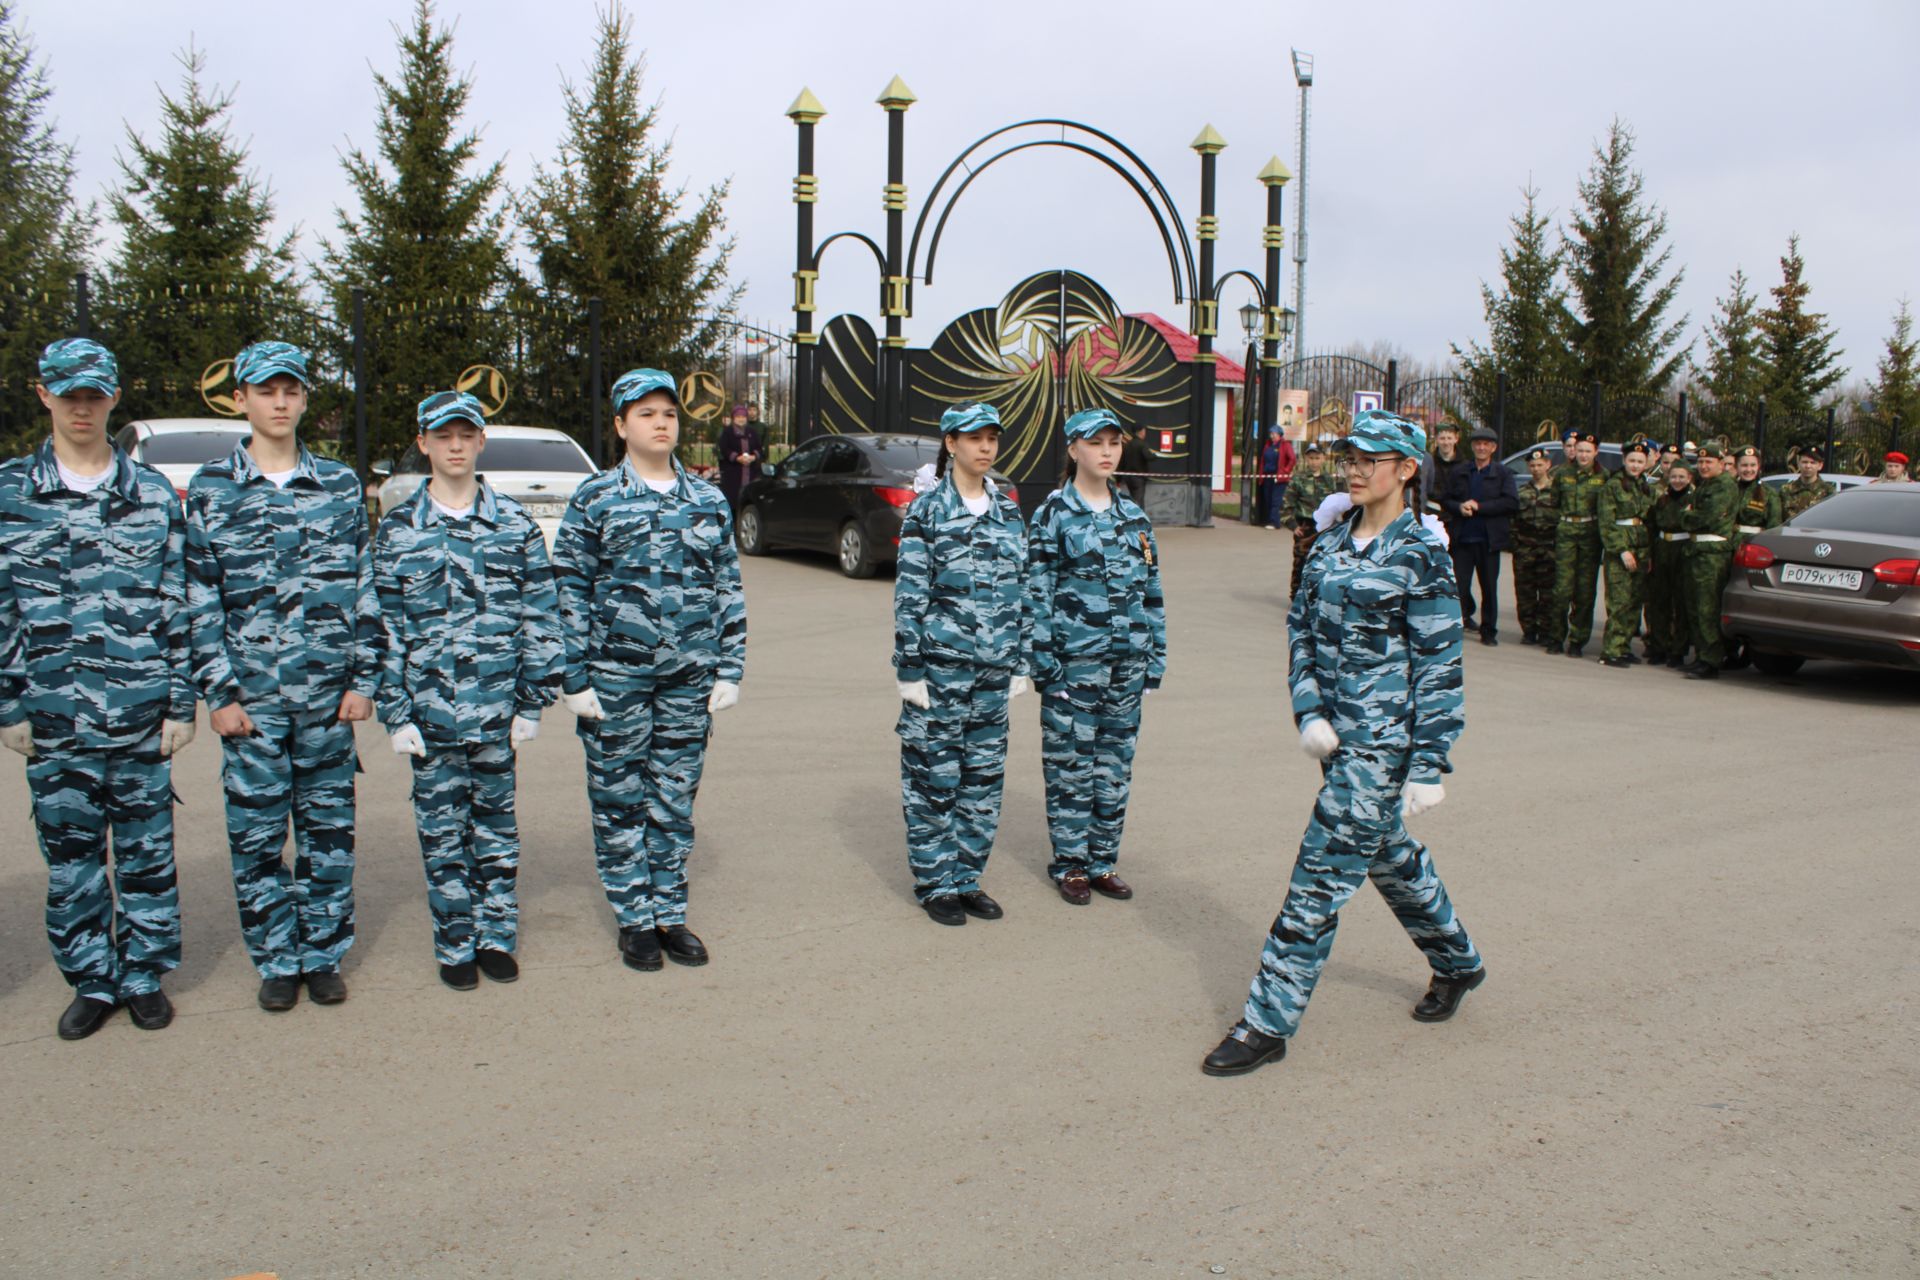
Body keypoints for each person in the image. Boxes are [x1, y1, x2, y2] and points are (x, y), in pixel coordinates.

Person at [1202, 410, 1482, 1078]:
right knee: (1389, 858)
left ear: (1407, 470)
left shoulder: (1421, 557)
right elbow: (1299, 631)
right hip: (1335, 739)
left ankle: (1267, 1021)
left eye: (1370, 459)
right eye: (1348, 458)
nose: (1353, 469)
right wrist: (1308, 712)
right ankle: (1458, 961)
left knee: (1318, 877)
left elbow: (1441, 666)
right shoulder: (1328, 546)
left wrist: (1429, 762)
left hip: (1384, 748)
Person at [0, 339, 195, 1040]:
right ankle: (92, 979)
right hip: (53, 715)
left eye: (95, 395)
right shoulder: (9, 493)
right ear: (42, 393)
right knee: (72, 865)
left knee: (146, 858)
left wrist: (181, 701)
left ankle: (144, 976)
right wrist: (6, 703)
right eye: (68, 393)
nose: (82, 407)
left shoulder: (148, 495)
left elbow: (176, 600)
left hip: (141, 711)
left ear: (114, 398)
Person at [187, 340, 379, 1013]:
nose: (279, 402)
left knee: (329, 837)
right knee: (258, 838)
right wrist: (218, 690)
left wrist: (365, 679)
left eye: (290, 390)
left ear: (303, 399)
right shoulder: (212, 488)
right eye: (265, 391)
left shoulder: (338, 485)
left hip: (329, 700)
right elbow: (199, 596)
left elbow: (365, 585)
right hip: (253, 706)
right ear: (240, 398)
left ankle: (322, 953)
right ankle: (276, 956)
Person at [552, 368, 745, 971]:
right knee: (618, 797)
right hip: (616, 678)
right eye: (645, 414)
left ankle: (669, 913)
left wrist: (730, 667)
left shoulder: (708, 499)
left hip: (689, 677)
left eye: (668, 413)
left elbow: (727, 587)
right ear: (620, 425)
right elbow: (570, 588)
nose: (660, 423)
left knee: (673, 798)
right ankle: (634, 919)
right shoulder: (596, 498)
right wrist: (574, 677)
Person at [374, 391, 563, 990]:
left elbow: (541, 616)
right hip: (429, 716)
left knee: (496, 830)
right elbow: (382, 627)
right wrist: (394, 711)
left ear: (480, 443)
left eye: (466, 435)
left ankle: (495, 935)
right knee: (441, 833)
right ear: (424, 443)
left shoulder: (513, 525)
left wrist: (533, 700)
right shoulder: (399, 531)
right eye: (442, 435)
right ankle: (455, 941)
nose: (454, 446)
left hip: (497, 711)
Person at [892, 402, 1029, 925]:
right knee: (933, 775)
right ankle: (935, 882)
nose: (986, 447)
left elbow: (1023, 590)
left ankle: (967, 877)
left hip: (994, 672)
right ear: (951, 444)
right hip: (941, 671)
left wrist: (1022, 659)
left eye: (992, 437)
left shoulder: (1009, 511)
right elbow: (910, 595)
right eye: (974, 438)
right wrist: (909, 668)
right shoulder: (927, 512)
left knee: (982, 779)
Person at [1027, 408, 1165, 906]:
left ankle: (1103, 861)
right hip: (1073, 668)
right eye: (1096, 443)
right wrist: (1043, 663)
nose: (1107, 452)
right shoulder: (1052, 515)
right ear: (1073, 450)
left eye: (1113, 443)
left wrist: (1156, 656)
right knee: (1070, 768)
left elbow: (1152, 591)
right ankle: (1070, 864)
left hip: (1126, 667)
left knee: (1114, 767)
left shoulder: (1134, 515)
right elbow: (1036, 594)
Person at [1440, 425, 1518, 646]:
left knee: (1489, 588)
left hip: (1488, 540)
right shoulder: (1461, 471)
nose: (1481, 448)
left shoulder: (1502, 473)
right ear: (1472, 446)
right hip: (1463, 538)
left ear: (1493, 448)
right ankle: (1456, 625)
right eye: (1477, 444)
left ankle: (1489, 631)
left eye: (1486, 444)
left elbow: (1510, 502)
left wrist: (1480, 506)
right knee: (1459, 586)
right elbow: (1445, 499)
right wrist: (1459, 507)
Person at [1678, 441, 1738, 680]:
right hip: (1697, 550)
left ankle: (1711, 659)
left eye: (1708, 462)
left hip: (1712, 553)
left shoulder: (1724, 486)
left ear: (1721, 464)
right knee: (1694, 607)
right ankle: (1702, 655)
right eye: (1700, 462)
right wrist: (1691, 513)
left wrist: (1686, 515)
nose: (1703, 466)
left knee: (1707, 608)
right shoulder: (1706, 485)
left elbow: (1707, 516)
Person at [1545, 433, 1607, 657]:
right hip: (1567, 533)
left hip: (1590, 536)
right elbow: (1554, 503)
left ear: (1596, 453)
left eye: (1588, 451)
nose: (1582, 454)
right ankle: (1556, 637)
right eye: (1579, 450)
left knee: (1585, 591)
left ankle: (1578, 640)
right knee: (1561, 590)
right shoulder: (1562, 474)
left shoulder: (1603, 477)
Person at [1596, 442, 1655, 668]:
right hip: (1621, 550)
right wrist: (1621, 550)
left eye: (1640, 462)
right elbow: (1607, 523)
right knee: (1619, 602)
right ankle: (1610, 650)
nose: (1635, 465)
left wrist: (1647, 554)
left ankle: (1624, 646)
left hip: (1640, 549)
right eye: (1632, 461)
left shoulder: (1644, 486)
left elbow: (1647, 523)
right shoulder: (1612, 485)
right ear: (1624, 461)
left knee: (1634, 602)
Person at [1644, 457, 1694, 669]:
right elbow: (1652, 527)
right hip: (1662, 548)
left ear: (1689, 478)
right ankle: (1659, 647)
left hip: (1683, 549)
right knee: (1659, 602)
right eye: (1674, 476)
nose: (1677, 481)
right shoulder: (1661, 500)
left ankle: (1678, 650)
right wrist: (1650, 555)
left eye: (1681, 477)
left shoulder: (1693, 500)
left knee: (1680, 604)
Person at [1510, 448, 1559, 645]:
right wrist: (1516, 545)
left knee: (1548, 593)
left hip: (1549, 548)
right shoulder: (1522, 492)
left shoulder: (1556, 492)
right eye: (1532, 466)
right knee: (1525, 592)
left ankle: (1546, 631)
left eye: (1540, 465)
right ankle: (1529, 630)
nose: (1536, 469)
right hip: (1526, 548)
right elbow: (1513, 521)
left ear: (1548, 465)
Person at [1281, 442, 1334, 598]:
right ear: (1306, 459)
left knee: (1321, 563)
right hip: (1304, 526)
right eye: (1311, 458)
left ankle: (1316, 597)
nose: (1314, 462)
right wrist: (1292, 524)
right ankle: (1296, 597)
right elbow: (1287, 503)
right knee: (1300, 563)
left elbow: (1335, 503)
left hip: (1323, 528)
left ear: (1323, 458)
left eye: (1317, 458)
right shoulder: (1299, 479)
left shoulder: (1328, 480)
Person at [1418, 421, 1466, 536]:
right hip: (1434, 520)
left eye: (1449, 438)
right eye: (1442, 438)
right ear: (1437, 440)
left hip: (1457, 522)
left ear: (1456, 439)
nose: (1446, 442)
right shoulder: (1429, 462)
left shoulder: (1465, 465)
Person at [714, 403, 763, 512]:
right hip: (733, 473)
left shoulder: (752, 432)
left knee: (749, 502)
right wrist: (737, 457)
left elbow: (759, 448)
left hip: (751, 472)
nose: (741, 419)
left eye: (743, 417)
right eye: (738, 417)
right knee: (733, 503)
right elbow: (724, 448)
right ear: (733, 418)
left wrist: (753, 457)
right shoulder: (727, 432)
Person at [1779, 449, 1835, 520]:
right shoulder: (1786, 490)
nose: (1808, 466)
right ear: (1799, 464)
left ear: (1820, 466)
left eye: (1812, 463)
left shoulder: (1829, 492)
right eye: (1804, 462)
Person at [1257, 426, 1295, 529]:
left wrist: (1286, 471)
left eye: (1274, 433)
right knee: (1268, 498)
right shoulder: (1268, 445)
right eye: (1271, 434)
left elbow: (1292, 459)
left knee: (1276, 500)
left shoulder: (1285, 445)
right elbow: (1263, 461)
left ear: (1280, 434)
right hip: (1268, 476)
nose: (1272, 436)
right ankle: (1269, 519)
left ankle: (1275, 522)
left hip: (1279, 477)